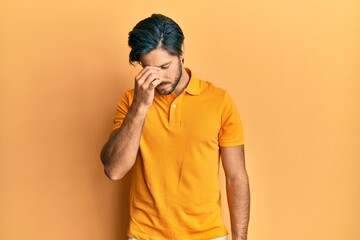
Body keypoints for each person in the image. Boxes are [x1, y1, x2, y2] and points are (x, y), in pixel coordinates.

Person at [100, 14, 250, 240]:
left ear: (181, 53)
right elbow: (114, 170)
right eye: (148, 69)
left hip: (207, 235)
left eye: (164, 66)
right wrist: (140, 107)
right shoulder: (131, 102)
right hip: (145, 235)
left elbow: (236, 177)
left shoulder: (220, 102)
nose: (158, 78)